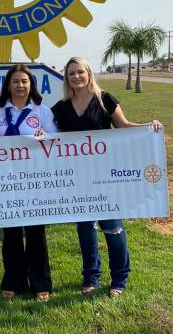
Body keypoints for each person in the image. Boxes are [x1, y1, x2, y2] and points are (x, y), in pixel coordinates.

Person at [51, 57, 162, 297]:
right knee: (85, 228)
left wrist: (148, 126)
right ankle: (91, 277)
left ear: (88, 73)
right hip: (78, 177)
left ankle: (119, 279)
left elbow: (123, 125)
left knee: (112, 227)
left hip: (106, 176)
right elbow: (54, 140)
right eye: (71, 73)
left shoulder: (104, 100)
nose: (76, 77)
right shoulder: (60, 107)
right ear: (66, 78)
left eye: (80, 72)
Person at [0, 63, 58, 301]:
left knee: (36, 233)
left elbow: (56, 141)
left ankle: (40, 283)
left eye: (24, 81)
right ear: (8, 85)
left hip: (34, 179)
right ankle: (14, 281)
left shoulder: (42, 112)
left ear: (31, 85)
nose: (20, 85)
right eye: (15, 81)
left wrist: (45, 137)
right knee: (11, 234)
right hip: (5, 179)